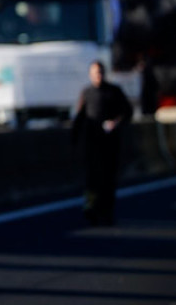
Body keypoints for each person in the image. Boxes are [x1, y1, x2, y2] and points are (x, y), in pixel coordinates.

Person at [71, 60, 133, 226]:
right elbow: (79, 117)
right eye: (94, 73)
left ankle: (107, 211)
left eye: (100, 73)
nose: (98, 76)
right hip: (92, 144)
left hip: (110, 144)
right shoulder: (87, 93)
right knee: (92, 179)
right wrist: (74, 138)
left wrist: (115, 123)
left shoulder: (114, 92)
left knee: (108, 180)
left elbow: (127, 111)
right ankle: (91, 207)